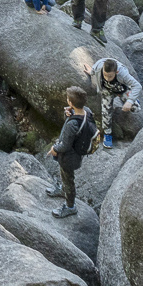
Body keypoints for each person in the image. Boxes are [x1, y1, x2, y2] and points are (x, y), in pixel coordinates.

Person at [46, 86, 95, 217]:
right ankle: (62, 190)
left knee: (68, 180)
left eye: (68, 99)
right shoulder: (87, 112)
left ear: (71, 102)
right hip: (77, 153)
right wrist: (68, 113)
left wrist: (54, 149)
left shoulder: (72, 124)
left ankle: (70, 206)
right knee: (65, 176)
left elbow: (65, 145)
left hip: (69, 157)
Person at [89, 57, 143, 148]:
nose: (107, 78)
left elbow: (137, 86)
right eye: (105, 75)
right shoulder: (98, 67)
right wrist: (90, 73)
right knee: (106, 111)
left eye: (110, 76)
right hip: (107, 91)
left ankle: (130, 99)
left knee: (135, 108)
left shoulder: (122, 73)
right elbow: (93, 71)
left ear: (116, 72)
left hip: (121, 89)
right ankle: (107, 134)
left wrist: (130, 101)